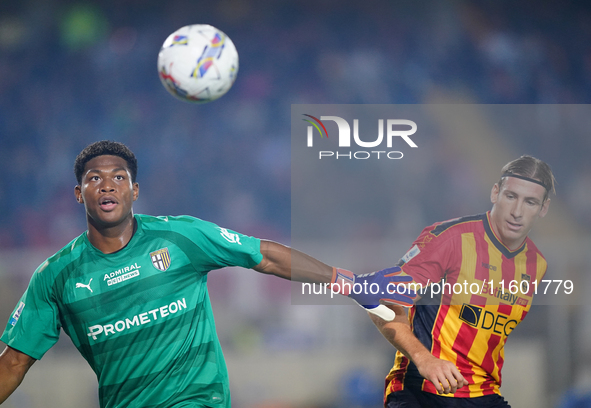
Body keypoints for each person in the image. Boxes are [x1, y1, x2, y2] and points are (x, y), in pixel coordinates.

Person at [0, 140, 415, 408]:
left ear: (135, 190)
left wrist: (348, 282)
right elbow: (15, 362)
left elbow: (264, 255)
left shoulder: (181, 236)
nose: (108, 185)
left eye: (119, 177)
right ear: (79, 194)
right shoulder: (55, 276)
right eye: (95, 179)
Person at [369, 155, 555, 408]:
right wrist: (424, 359)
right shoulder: (450, 238)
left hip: (484, 396)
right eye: (511, 196)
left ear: (543, 208)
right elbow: (382, 303)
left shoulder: (537, 264)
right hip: (422, 392)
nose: (517, 211)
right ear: (495, 193)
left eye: (530, 202)